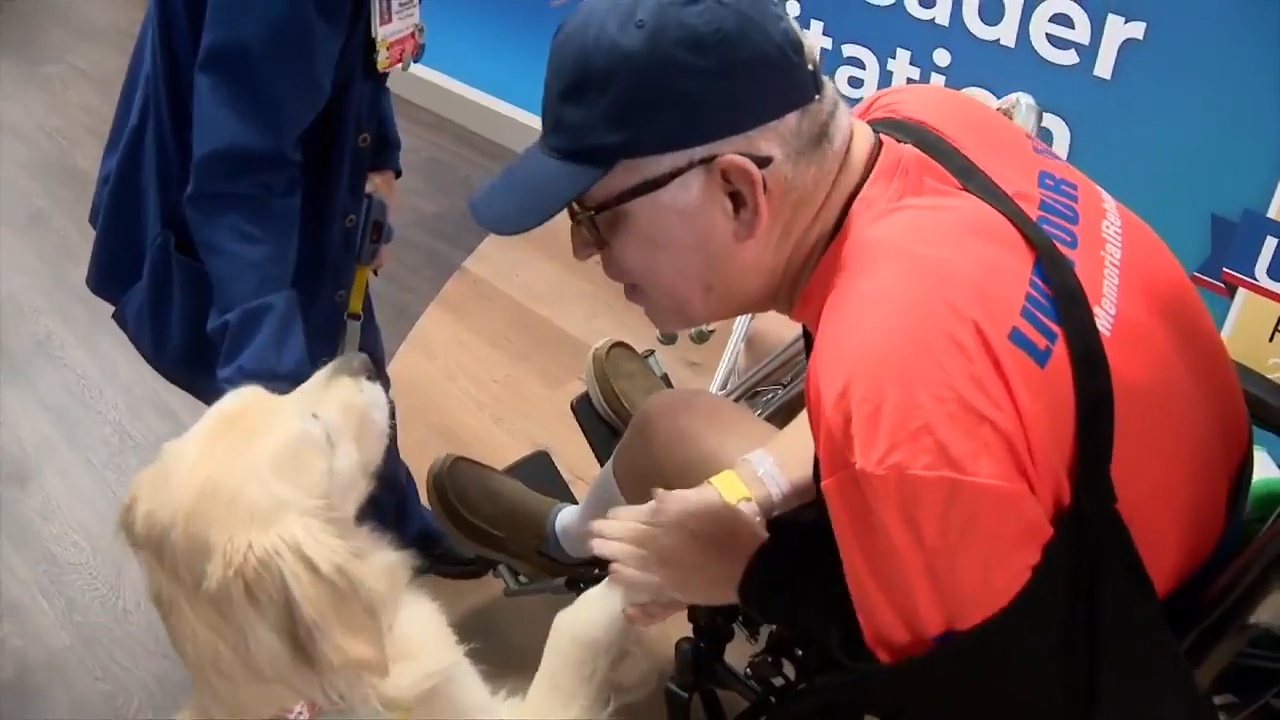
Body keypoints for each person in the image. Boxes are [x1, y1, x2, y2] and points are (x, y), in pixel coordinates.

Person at [424, 0, 1252, 715]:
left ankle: (574, 539)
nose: (582, 251)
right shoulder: (925, 119)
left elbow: (986, 696)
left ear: (740, 191)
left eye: (596, 216)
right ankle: (583, 533)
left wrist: (753, 573)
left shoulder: (897, 378)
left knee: (674, 433)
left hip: (1109, 611)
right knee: (690, 430)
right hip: (1187, 491)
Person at [85, 0, 492, 579]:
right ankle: (302, 575)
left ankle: (390, 517)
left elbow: (363, 33)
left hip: (304, 166)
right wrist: (270, 378)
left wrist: (378, 150)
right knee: (291, 401)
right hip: (235, 199)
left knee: (352, 367)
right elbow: (239, 176)